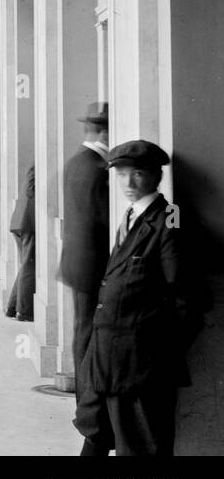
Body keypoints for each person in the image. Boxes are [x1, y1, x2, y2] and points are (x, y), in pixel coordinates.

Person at [74, 140, 205, 456]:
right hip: (105, 357)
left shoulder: (169, 217)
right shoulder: (131, 215)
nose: (128, 183)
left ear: (156, 176)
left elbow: (185, 299)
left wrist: (156, 354)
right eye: (121, 175)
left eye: (138, 174)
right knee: (94, 432)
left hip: (138, 364)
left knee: (138, 446)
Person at [58, 102, 110, 400]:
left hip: (77, 260)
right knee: (88, 330)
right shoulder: (98, 168)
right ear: (104, 132)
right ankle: (86, 399)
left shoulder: (76, 161)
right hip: (93, 262)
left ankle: (84, 396)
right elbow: (104, 219)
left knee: (82, 328)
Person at [6, 165, 35, 322]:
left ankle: (13, 307)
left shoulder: (34, 166)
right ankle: (24, 311)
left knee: (26, 266)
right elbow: (31, 191)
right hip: (27, 224)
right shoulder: (37, 167)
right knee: (29, 267)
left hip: (21, 222)